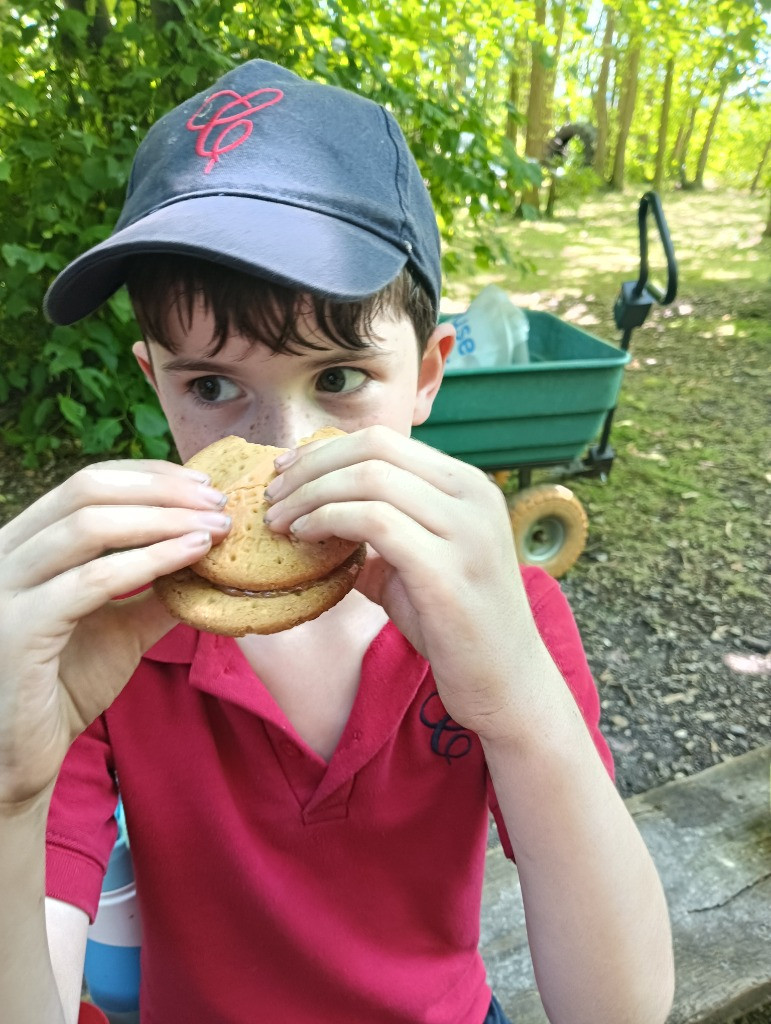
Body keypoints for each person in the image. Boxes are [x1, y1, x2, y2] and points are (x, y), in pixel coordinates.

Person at [0, 60, 674, 1024]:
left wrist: (517, 701)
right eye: (209, 387)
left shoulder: (504, 616)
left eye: (341, 376)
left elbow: (621, 1009)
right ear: (155, 380)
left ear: (429, 375)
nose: (279, 461)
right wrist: (8, 796)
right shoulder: (103, 642)